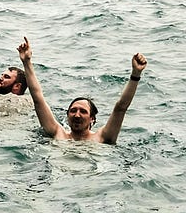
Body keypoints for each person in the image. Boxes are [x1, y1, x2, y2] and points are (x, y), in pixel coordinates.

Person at [17, 37, 147, 145]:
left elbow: (121, 107)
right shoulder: (58, 133)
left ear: (92, 119)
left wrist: (136, 74)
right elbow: (38, 99)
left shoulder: (102, 138)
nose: (77, 115)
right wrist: (27, 62)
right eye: (73, 111)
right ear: (67, 115)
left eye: (83, 111)